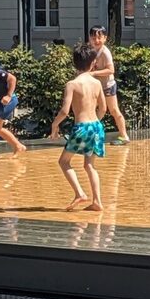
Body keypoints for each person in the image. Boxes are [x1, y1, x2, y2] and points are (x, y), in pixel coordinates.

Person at [48, 43, 107, 212]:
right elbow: (103, 108)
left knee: (64, 161)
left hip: (81, 127)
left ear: (74, 63)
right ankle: (97, 201)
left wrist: (55, 125)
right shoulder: (96, 83)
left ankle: (79, 193)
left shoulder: (72, 84)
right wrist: (96, 122)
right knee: (90, 165)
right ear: (93, 62)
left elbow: (65, 111)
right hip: (96, 126)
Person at [88, 26, 130, 145]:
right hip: (97, 86)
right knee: (93, 110)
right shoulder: (92, 50)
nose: (96, 40)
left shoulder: (105, 52)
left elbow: (111, 70)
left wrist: (93, 73)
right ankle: (88, 133)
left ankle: (124, 135)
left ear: (105, 38)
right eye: (93, 37)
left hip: (107, 86)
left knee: (113, 110)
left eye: (99, 37)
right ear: (90, 38)